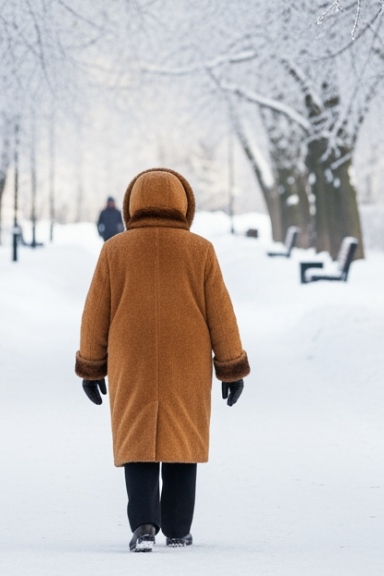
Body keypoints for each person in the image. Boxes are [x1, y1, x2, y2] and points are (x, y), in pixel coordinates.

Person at [75, 168, 250, 553]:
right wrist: (231, 367)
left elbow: (95, 313)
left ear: (131, 205)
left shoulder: (114, 250)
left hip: (130, 356)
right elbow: (221, 312)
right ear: (184, 203)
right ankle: (178, 528)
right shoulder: (200, 250)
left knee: (137, 436)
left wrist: (91, 365)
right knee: (182, 436)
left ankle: (144, 526)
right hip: (186, 357)